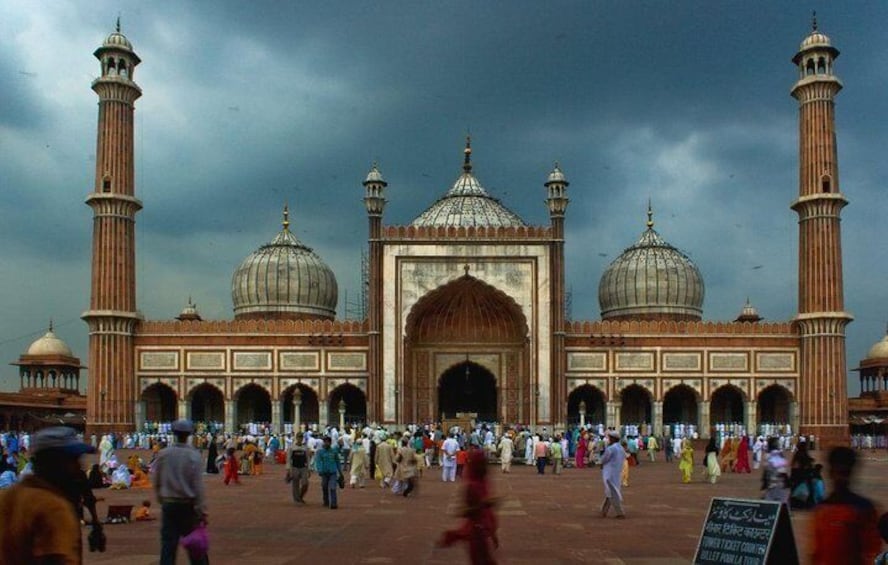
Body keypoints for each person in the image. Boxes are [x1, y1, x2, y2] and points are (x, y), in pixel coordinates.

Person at [0, 426, 97, 562]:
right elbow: (54, 559)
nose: (78, 466)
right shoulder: (52, 506)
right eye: (72, 460)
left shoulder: (9, 496)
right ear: (53, 462)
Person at [811, 446, 881, 564]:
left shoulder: (864, 510)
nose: (840, 478)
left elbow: (871, 552)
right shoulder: (821, 510)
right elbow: (816, 553)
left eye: (845, 473)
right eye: (838, 472)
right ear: (830, 473)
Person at [153, 419, 208, 565]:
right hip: (187, 506)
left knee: (168, 545)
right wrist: (201, 510)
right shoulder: (193, 455)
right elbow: (198, 485)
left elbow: (156, 479)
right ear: (189, 435)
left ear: (174, 434)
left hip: (169, 504)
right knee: (194, 546)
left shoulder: (164, 454)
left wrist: (161, 498)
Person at [437, 449, 499, 564]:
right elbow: (464, 511)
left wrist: (493, 533)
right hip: (476, 531)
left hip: (481, 529)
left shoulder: (482, 482)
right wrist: (483, 504)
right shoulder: (472, 485)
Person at [599, 430, 626, 519]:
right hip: (617, 472)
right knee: (610, 492)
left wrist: (601, 463)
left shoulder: (611, 448)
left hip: (609, 473)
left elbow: (604, 458)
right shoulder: (621, 448)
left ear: (613, 439)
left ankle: (620, 512)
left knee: (612, 493)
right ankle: (603, 511)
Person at [314, 436, 341, 509]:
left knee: (333, 487)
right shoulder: (320, 452)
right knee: (324, 486)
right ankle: (326, 501)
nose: (326, 443)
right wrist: (319, 470)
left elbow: (338, 462)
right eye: (325, 442)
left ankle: (333, 503)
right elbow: (318, 462)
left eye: (327, 442)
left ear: (330, 442)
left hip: (333, 472)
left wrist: (340, 473)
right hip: (324, 472)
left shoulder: (334, 451)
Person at [761, 437, 790, 505]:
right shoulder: (776, 454)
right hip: (778, 480)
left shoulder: (767, 455)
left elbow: (766, 469)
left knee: (770, 500)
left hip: (770, 481)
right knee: (782, 500)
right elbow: (781, 469)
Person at [286, 433, 311, 502]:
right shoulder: (292, 447)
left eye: (301, 437)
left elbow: (308, 458)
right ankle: (297, 498)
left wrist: (309, 469)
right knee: (295, 484)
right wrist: (288, 469)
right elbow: (288, 459)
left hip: (303, 467)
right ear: (296, 438)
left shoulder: (305, 448)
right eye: (299, 437)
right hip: (295, 467)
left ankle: (301, 495)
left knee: (305, 483)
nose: (300, 439)